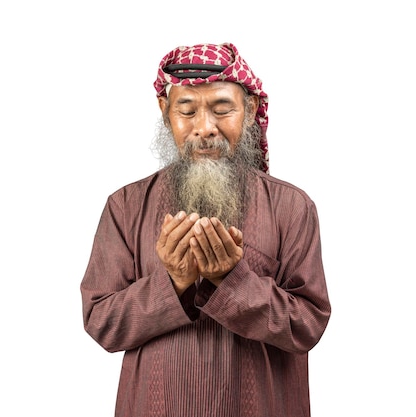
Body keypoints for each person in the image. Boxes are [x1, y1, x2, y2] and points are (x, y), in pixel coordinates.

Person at [80, 42, 331, 417]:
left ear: (248, 111)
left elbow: (308, 325)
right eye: (187, 110)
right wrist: (173, 283)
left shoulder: (292, 207)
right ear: (166, 114)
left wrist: (233, 280)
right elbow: (102, 322)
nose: (204, 128)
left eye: (221, 108)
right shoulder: (126, 206)